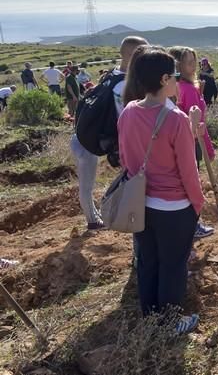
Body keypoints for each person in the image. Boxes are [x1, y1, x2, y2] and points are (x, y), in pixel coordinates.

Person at [117, 47, 202, 334]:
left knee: (148, 261)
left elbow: (127, 159)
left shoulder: (129, 111)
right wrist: (197, 204)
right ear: (165, 78)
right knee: (173, 265)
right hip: (174, 206)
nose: (178, 79)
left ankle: (150, 317)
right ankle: (170, 322)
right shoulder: (175, 119)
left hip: (141, 202)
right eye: (175, 75)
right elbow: (188, 170)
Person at [71, 36, 148, 232]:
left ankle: (98, 216)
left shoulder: (112, 75)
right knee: (88, 185)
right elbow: (126, 120)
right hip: (88, 140)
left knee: (87, 184)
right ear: (132, 56)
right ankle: (94, 221)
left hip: (84, 134)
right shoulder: (122, 85)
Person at [169, 46, 216, 240]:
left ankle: (187, 225)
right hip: (192, 142)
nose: (193, 65)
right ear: (177, 64)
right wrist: (209, 149)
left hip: (179, 143)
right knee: (191, 184)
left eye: (194, 60)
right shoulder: (187, 89)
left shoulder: (180, 87)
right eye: (189, 61)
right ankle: (193, 224)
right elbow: (198, 123)